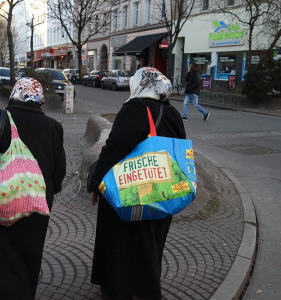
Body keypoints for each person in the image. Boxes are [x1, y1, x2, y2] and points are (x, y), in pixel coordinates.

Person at [87, 67, 186, 300]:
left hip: (131, 190)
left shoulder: (134, 110)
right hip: (163, 190)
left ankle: (119, 289)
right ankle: (146, 287)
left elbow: (114, 149)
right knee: (150, 243)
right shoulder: (171, 112)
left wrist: (95, 184)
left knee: (121, 242)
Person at [0, 77, 66, 300]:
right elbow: (58, 175)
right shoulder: (54, 128)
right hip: (35, 206)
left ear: (14, 95)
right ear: (40, 100)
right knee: (27, 260)